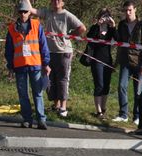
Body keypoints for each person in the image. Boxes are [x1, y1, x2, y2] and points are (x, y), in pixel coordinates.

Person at [26, 0, 86, 118]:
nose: (56, 2)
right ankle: (56, 105)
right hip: (49, 52)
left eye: (58, 0)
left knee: (62, 79)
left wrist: (71, 35)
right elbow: (32, 10)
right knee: (50, 79)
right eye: (53, 0)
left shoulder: (67, 15)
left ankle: (63, 107)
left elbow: (82, 28)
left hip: (64, 52)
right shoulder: (47, 13)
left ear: (63, 2)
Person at [5, 0, 51, 130]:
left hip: (35, 64)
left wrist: (46, 63)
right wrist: (10, 66)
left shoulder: (37, 25)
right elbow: (9, 49)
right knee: (23, 94)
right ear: (18, 13)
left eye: (25, 11)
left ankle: (41, 119)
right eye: (21, 12)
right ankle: (27, 119)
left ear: (29, 13)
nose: (23, 14)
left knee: (37, 93)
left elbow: (43, 46)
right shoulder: (12, 29)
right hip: (19, 66)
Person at [113, 1, 140, 123]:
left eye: (130, 10)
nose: (127, 13)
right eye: (125, 10)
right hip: (125, 60)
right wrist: (113, 27)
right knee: (121, 86)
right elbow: (119, 40)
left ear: (135, 10)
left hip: (139, 62)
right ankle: (123, 114)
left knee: (138, 90)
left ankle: (137, 116)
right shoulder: (122, 24)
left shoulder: (140, 25)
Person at [86, 8, 116, 119]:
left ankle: (103, 109)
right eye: (103, 15)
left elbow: (117, 39)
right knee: (99, 85)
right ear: (100, 16)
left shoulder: (110, 28)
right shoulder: (95, 27)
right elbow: (89, 38)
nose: (105, 17)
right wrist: (97, 25)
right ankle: (98, 112)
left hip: (107, 60)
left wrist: (113, 25)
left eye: (107, 15)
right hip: (96, 60)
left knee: (106, 86)